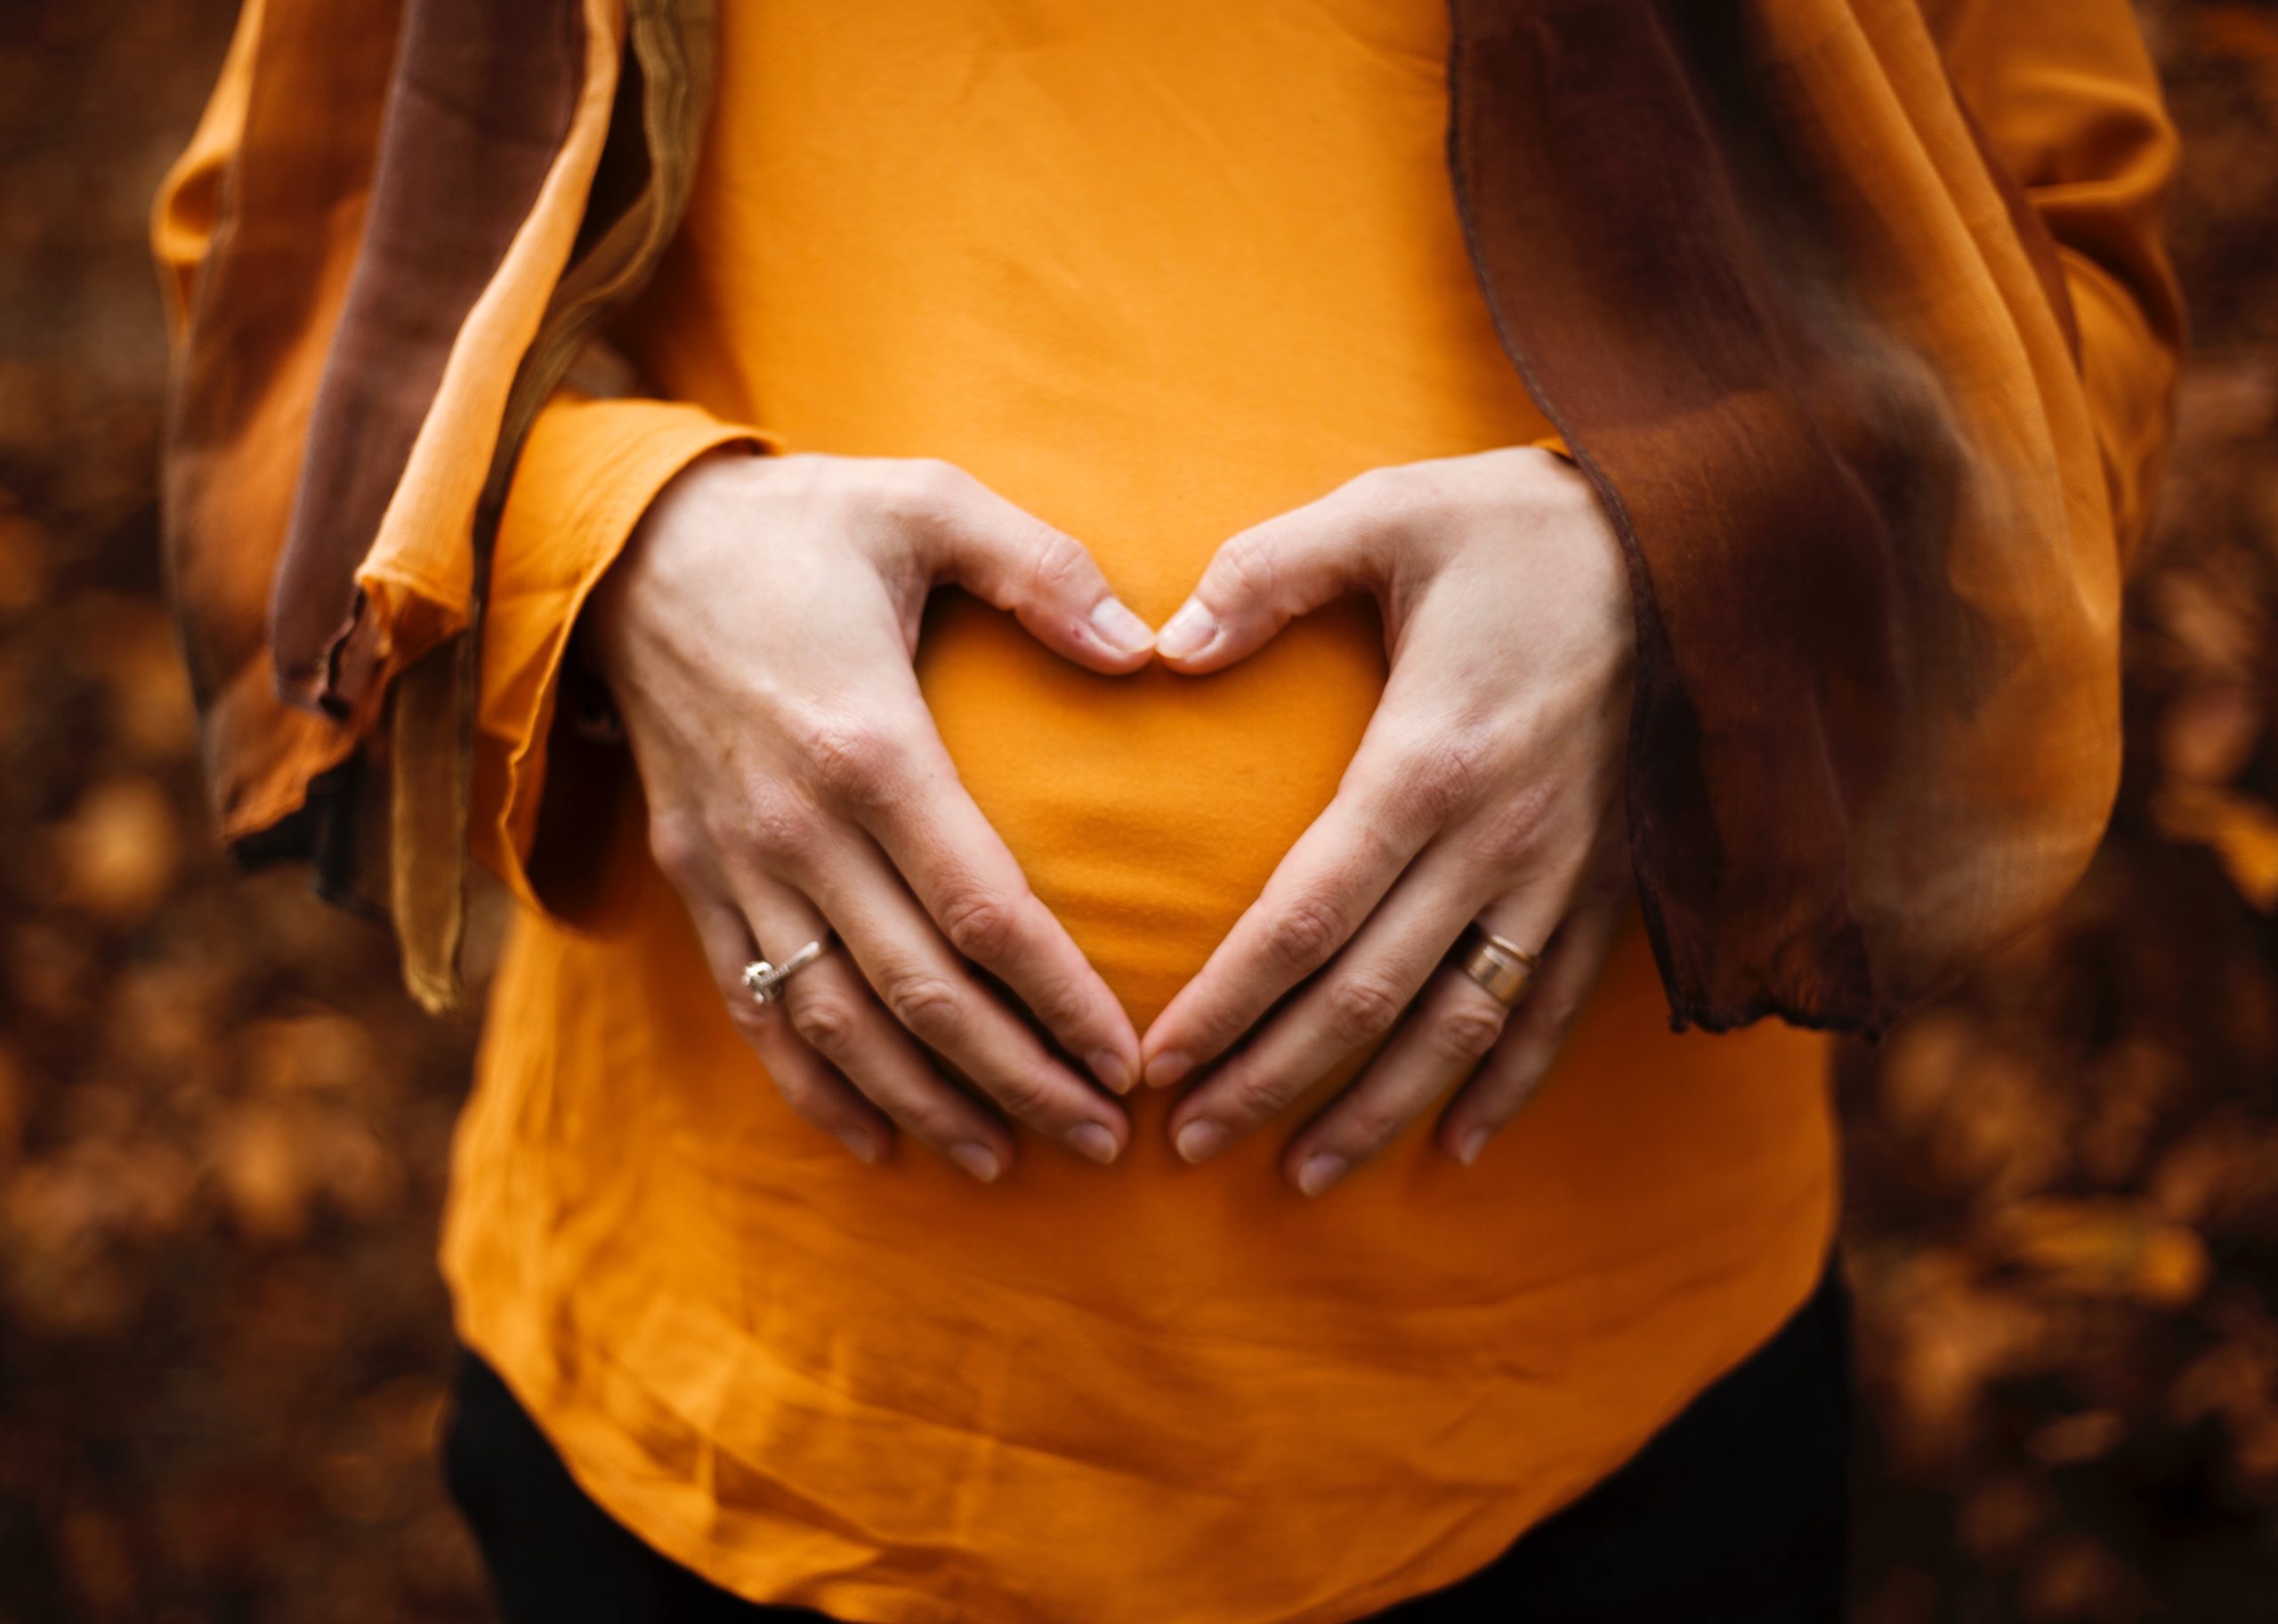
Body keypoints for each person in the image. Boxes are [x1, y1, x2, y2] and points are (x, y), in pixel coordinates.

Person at [153, 0, 2182, 1620]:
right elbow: (300, 281)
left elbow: (2058, 305)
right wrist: (612, 553)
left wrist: (1677, 570)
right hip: (731, 1422)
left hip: (1584, 1433)